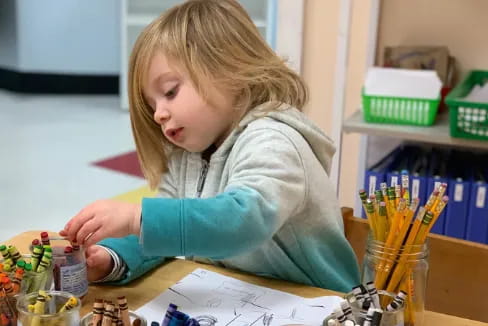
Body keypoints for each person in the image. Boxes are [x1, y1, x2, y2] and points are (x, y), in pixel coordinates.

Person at [60, 0, 359, 292]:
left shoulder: (274, 141)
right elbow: (167, 232)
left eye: (170, 92)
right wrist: (112, 258)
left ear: (230, 70)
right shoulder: (188, 155)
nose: (157, 114)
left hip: (321, 305)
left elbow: (242, 221)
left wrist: (135, 217)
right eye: (152, 104)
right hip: (240, 298)